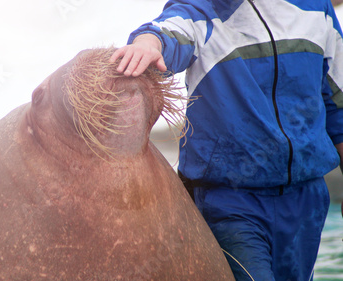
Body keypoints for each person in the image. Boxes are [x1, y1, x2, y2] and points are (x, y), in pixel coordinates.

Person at [110, 0, 343, 280]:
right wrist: (147, 43)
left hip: (307, 199)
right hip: (230, 201)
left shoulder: (317, 9)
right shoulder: (201, 9)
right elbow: (165, 31)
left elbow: (338, 104)